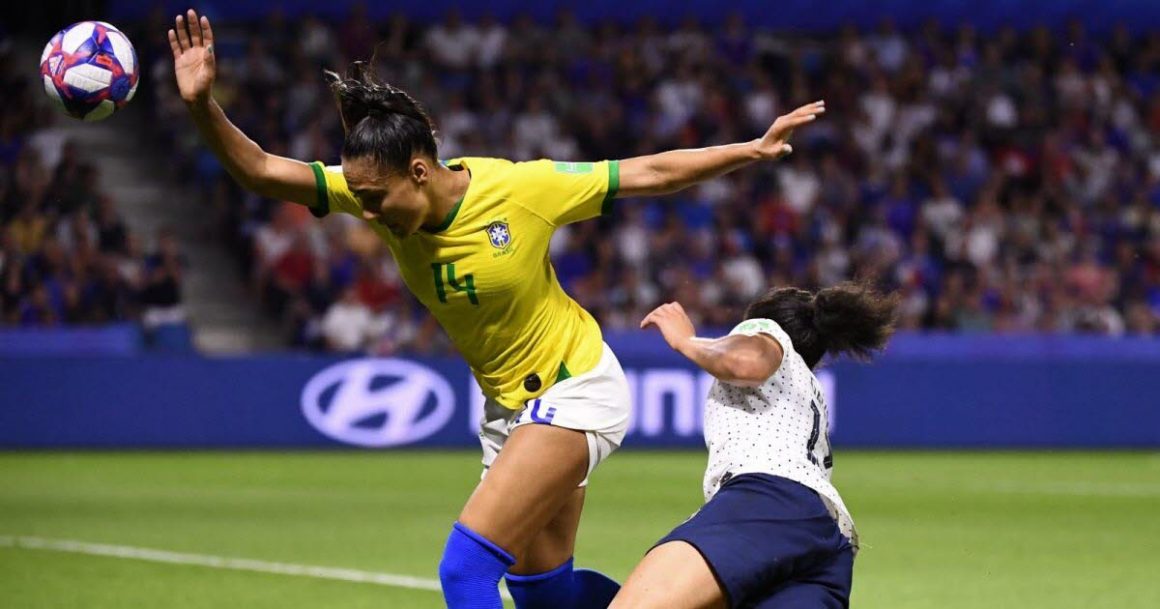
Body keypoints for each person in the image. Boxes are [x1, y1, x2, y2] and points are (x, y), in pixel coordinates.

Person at [167, 10, 826, 609]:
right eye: (358, 198)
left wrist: (749, 150)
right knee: (548, 597)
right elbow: (256, 168)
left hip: (575, 387)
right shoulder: (374, 188)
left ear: (420, 171)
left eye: (375, 198)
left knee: (464, 571)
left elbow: (646, 172)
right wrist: (201, 106)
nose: (364, 212)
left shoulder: (520, 190)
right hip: (509, 411)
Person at [612, 283, 897, 609]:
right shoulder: (808, 392)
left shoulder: (767, 331)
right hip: (825, 541)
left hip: (764, 505)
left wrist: (685, 340)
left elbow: (747, 362)